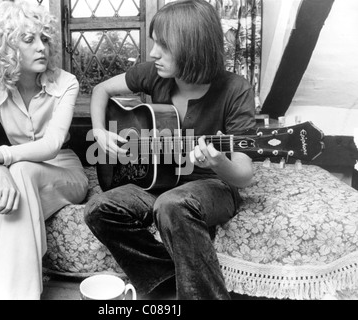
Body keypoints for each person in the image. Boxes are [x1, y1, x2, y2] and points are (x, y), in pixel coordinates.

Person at [85, 0, 256, 300]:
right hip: (160, 182)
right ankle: (165, 280)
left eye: (163, 45)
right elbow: (101, 91)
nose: (152, 53)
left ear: (193, 47)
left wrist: (218, 163)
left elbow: (243, 175)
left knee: (171, 205)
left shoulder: (235, 89)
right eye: (154, 43)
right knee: (99, 209)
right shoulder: (154, 74)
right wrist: (99, 131)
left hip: (212, 185)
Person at [0, 1, 88, 300]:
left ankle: (13, 294)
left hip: (63, 172)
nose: (42, 48)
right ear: (6, 47)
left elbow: (51, 145)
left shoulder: (66, 82)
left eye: (45, 39)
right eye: (29, 40)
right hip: (15, 170)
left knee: (20, 169)